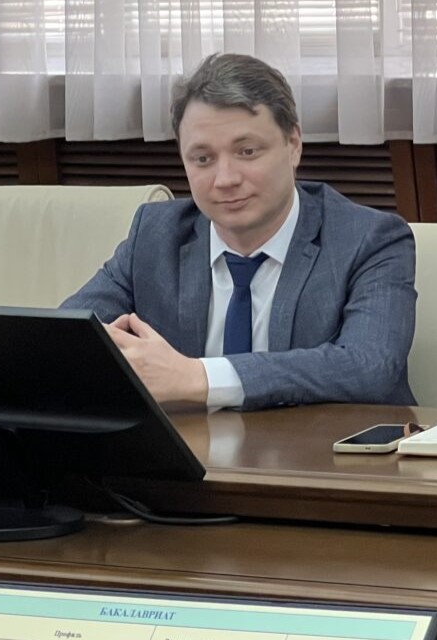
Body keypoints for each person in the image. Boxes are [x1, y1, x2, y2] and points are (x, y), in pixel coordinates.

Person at [64, 53, 417, 410]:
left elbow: (369, 367)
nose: (226, 179)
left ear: (294, 145)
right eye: (203, 159)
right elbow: (64, 337)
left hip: (327, 445)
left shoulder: (369, 240)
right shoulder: (155, 236)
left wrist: (199, 377)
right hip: (193, 444)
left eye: (247, 152)